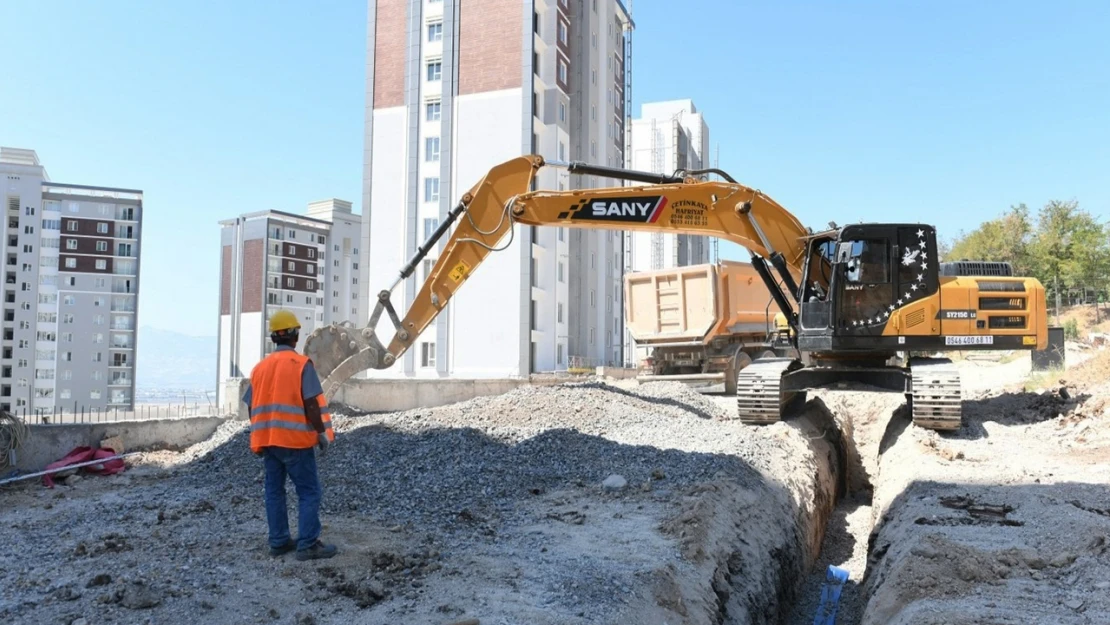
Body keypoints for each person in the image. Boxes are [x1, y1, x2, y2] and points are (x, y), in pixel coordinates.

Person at [242, 309, 338, 561]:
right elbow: (311, 404)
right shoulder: (301, 364)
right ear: (295, 336)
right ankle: (307, 544)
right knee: (309, 492)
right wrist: (320, 433)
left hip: (268, 442)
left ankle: (279, 541)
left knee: (274, 492)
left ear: (274, 338)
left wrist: (262, 431)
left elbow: (251, 406)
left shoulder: (259, 369)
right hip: (295, 442)